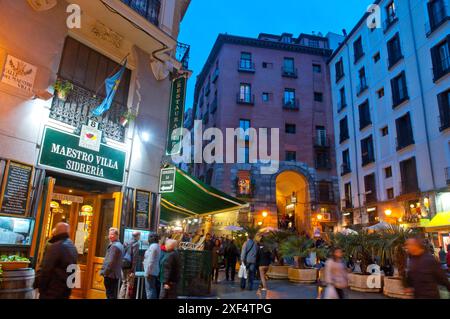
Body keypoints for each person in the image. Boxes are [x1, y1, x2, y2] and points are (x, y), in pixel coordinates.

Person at [35, 223, 77, 299]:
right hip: (65, 291)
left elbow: (46, 270)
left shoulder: (56, 247)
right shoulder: (72, 246)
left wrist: (41, 288)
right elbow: (73, 270)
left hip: (52, 291)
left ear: (56, 232)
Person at [100, 227, 124, 299]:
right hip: (115, 275)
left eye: (112, 234)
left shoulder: (114, 246)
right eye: (109, 234)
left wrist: (105, 272)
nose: (110, 236)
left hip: (110, 275)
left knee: (110, 294)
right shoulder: (120, 245)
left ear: (117, 235)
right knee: (112, 293)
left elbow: (110, 262)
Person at [119, 231, 140, 299]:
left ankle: (121, 297)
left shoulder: (126, 242)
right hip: (129, 266)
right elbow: (134, 258)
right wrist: (133, 270)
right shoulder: (136, 244)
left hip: (123, 265)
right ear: (138, 236)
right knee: (129, 284)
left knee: (124, 282)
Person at [143, 232, 161, 299]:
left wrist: (147, 272)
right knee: (152, 289)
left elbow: (151, 260)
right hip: (153, 271)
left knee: (150, 290)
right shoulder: (156, 246)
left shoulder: (153, 247)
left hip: (150, 271)